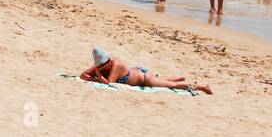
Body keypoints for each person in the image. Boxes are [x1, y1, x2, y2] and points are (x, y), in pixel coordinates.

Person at [80, 45, 213, 94]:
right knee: (162, 80)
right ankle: (179, 77)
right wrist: (94, 75)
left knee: (173, 86)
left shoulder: (115, 65)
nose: (107, 65)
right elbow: (83, 75)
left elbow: (110, 84)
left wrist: (97, 75)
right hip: (140, 74)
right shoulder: (101, 67)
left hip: (145, 79)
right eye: (103, 65)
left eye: (107, 62)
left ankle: (201, 86)